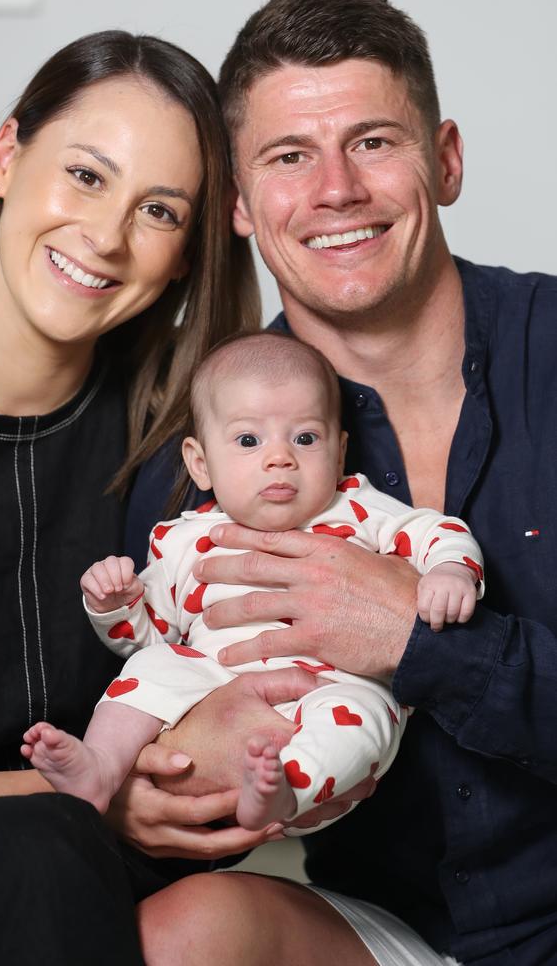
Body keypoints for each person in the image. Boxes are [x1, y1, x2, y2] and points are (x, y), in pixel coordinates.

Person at [127, 0, 557, 966]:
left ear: (442, 160)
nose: (334, 190)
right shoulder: (208, 447)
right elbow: (149, 683)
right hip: (396, 934)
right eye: (288, 156)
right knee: (183, 932)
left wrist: (420, 640)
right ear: (237, 203)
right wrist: (145, 790)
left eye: (371, 141)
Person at [0, 28, 262, 966]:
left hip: (96, 889)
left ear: (187, 255)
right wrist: (88, 791)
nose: (105, 238)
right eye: (87, 176)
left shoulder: (189, 440)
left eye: (158, 210)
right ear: (3, 159)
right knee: (42, 853)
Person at [24, 331, 483, 836]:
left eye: (305, 438)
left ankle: (287, 787)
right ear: (201, 463)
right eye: (249, 440)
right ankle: (102, 765)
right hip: (215, 680)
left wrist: (451, 569)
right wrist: (114, 604)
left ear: (339, 450)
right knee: (153, 667)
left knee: (364, 715)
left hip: (333, 684)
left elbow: (432, 530)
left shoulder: (355, 507)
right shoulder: (184, 540)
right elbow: (146, 635)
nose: (280, 457)